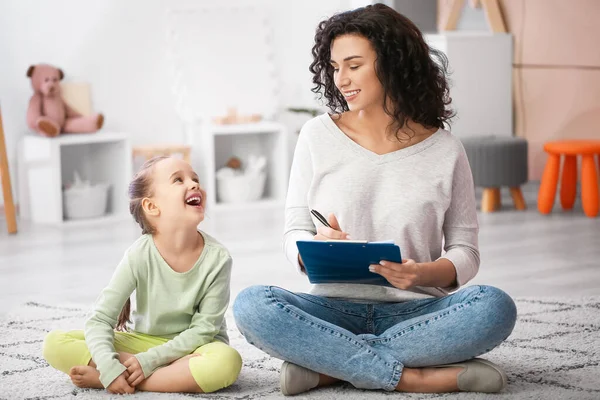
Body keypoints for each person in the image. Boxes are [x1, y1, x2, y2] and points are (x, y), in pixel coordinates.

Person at [233, 3, 516, 396]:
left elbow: (465, 251)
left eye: (353, 64)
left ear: (393, 63)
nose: (341, 79)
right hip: (330, 311)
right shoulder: (316, 135)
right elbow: (294, 228)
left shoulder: (445, 150)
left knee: (494, 307)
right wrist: (311, 247)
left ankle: (330, 369)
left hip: (418, 311)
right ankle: (413, 377)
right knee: (252, 305)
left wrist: (421, 273)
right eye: (334, 67)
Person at [43, 156, 242, 394]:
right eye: (178, 180)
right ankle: (153, 376)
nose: (193, 184)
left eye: (195, 179)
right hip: (144, 342)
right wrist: (108, 364)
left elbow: (204, 330)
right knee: (55, 343)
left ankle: (124, 379)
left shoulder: (218, 258)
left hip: (196, 347)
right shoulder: (138, 254)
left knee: (227, 362)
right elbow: (100, 320)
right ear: (151, 206)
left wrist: (147, 362)